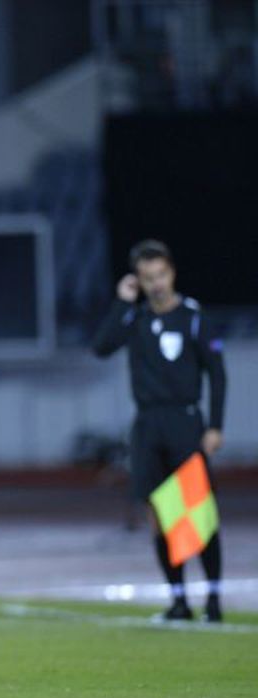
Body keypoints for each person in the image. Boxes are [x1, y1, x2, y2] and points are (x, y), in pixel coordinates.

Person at [92, 239, 227, 622]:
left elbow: (217, 375)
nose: (156, 284)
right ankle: (178, 599)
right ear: (138, 279)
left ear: (172, 272)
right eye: (147, 277)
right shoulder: (134, 320)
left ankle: (214, 599)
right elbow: (100, 347)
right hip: (148, 424)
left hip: (185, 421)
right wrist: (122, 301)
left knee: (198, 512)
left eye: (161, 274)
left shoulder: (194, 318)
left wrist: (215, 425)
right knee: (159, 514)